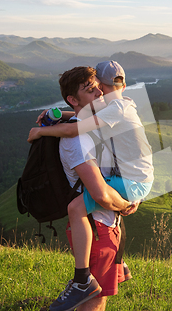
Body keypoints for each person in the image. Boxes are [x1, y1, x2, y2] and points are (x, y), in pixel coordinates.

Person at [29, 63, 154, 311]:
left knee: (96, 299)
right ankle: (83, 277)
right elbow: (100, 194)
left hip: (115, 210)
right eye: (92, 89)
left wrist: (44, 130)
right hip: (101, 228)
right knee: (94, 301)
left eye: (99, 88)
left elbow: (80, 119)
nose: (98, 94)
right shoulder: (84, 136)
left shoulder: (111, 109)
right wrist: (126, 203)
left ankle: (91, 272)